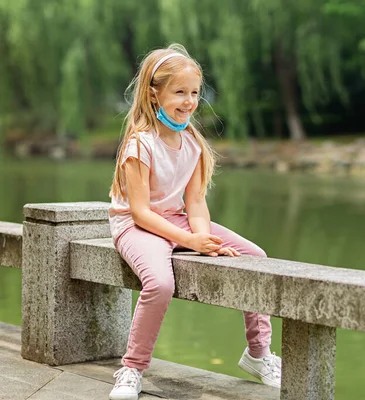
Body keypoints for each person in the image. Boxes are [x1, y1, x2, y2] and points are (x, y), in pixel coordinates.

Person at [107, 44, 281, 400]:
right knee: (159, 284)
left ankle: (259, 354)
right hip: (136, 226)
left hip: (178, 220)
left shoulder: (194, 145)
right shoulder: (140, 145)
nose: (189, 102)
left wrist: (203, 239)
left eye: (194, 93)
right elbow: (140, 212)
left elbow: (196, 203)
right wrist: (188, 241)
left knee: (256, 257)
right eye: (179, 92)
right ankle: (132, 368)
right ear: (154, 94)